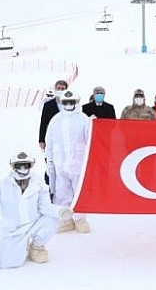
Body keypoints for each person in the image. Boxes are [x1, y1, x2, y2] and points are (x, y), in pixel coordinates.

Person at [0, 152, 70, 268]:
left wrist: (60, 211)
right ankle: (20, 246)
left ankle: (36, 247)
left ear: (31, 165)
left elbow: (45, 207)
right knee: (8, 264)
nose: (23, 168)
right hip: (12, 230)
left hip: (33, 224)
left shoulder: (38, 183)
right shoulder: (2, 185)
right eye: (19, 165)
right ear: (13, 166)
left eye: (26, 165)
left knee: (52, 219)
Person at [45, 91, 92, 234]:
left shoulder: (83, 119)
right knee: (61, 192)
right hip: (60, 164)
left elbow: (90, 138)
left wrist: (93, 125)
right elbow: (50, 142)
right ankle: (66, 220)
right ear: (61, 103)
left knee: (79, 192)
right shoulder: (55, 120)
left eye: (71, 102)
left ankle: (80, 219)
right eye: (66, 102)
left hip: (78, 163)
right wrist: (50, 161)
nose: (69, 105)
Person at [38, 80, 68, 152]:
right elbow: (43, 123)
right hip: (52, 137)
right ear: (55, 89)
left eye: (63, 88)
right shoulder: (48, 105)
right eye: (58, 88)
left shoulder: (71, 104)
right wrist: (41, 140)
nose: (60, 90)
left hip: (67, 137)